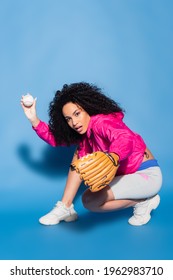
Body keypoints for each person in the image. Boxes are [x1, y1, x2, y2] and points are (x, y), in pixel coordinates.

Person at [21, 82, 162, 226]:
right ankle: (65, 207)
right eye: (68, 119)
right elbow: (57, 139)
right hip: (127, 174)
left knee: (90, 199)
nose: (74, 122)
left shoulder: (102, 122)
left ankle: (144, 201)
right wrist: (34, 120)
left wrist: (113, 155)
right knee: (82, 158)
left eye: (77, 114)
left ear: (88, 108)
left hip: (146, 174)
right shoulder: (86, 135)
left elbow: (125, 138)